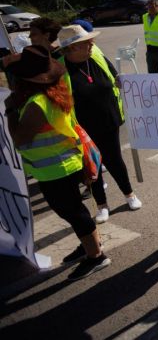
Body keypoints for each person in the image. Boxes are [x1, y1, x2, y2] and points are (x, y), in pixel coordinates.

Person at [4, 45, 111, 280]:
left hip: (55, 170)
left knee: (72, 211)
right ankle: (90, 244)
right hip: (64, 164)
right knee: (74, 210)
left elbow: (20, 139)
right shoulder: (53, 91)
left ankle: (96, 256)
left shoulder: (36, 104)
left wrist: (11, 109)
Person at [57, 25, 142, 223]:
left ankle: (129, 194)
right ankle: (102, 205)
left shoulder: (95, 56)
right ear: (71, 48)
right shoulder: (59, 69)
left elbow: (115, 77)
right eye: (85, 43)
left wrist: (123, 82)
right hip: (82, 128)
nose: (91, 44)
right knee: (91, 166)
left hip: (108, 119)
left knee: (115, 160)